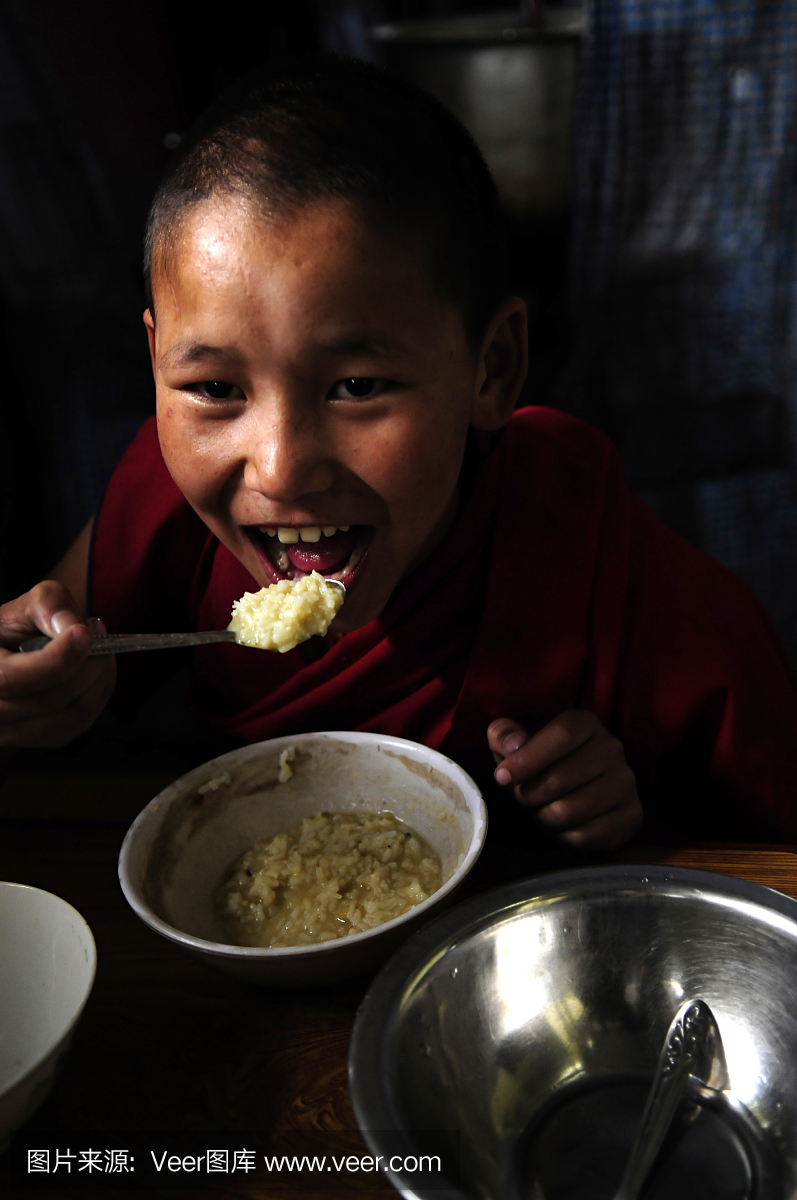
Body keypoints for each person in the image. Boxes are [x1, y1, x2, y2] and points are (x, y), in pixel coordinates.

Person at [1, 57, 796, 851]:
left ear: (491, 370)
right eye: (213, 388)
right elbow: (48, 652)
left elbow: (763, 832)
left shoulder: (599, 555)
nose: (278, 470)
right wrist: (32, 690)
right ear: (155, 362)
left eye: (355, 385)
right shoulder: (168, 497)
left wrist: (625, 809)